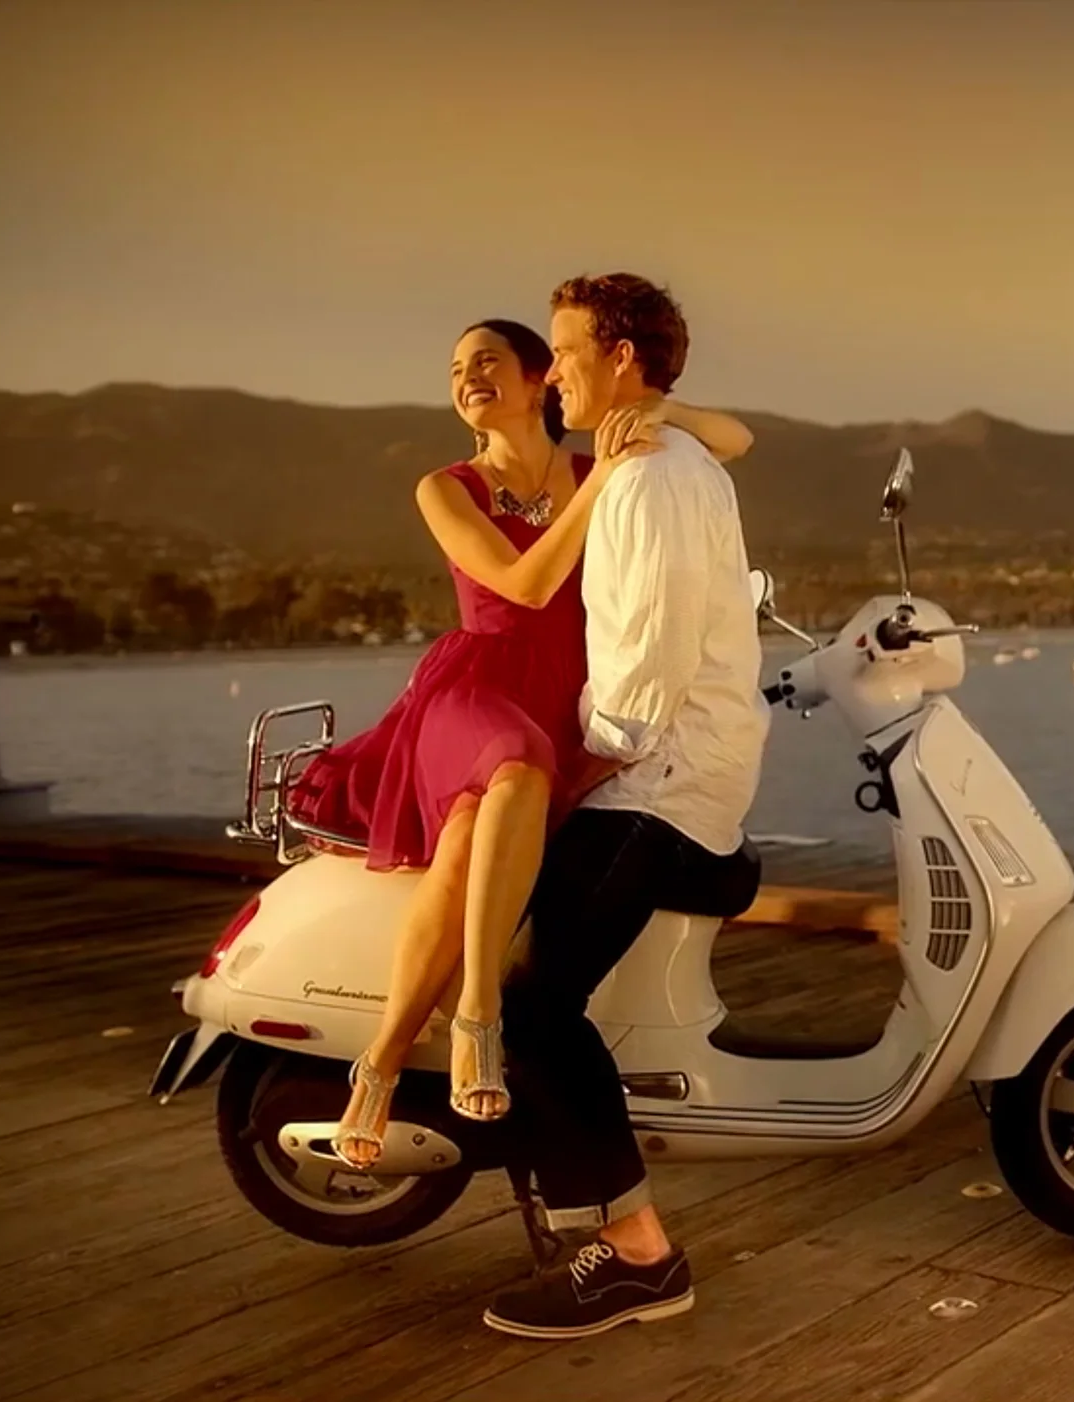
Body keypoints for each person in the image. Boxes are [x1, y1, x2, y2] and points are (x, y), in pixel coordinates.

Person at [285, 316, 756, 1170]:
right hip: (476, 688)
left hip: (561, 695)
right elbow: (522, 586)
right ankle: (478, 1015)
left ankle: (379, 1065)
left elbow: (737, 438)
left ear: (542, 380)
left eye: (488, 361)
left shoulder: (592, 460)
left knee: (473, 836)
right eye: (456, 368)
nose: (467, 376)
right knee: (516, 770)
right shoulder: (448, 487)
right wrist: (601, 478)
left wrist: (662, 416)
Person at [481, 273, 770, 1339]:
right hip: (677, 771)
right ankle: (580, 1202)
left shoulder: (646, 478)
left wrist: (569, 773)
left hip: (659, 786)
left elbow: (643, 676)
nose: (552, 371)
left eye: (564, 352)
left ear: (620, 358)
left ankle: (639, 1257)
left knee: (530, 998)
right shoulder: (665, 458)